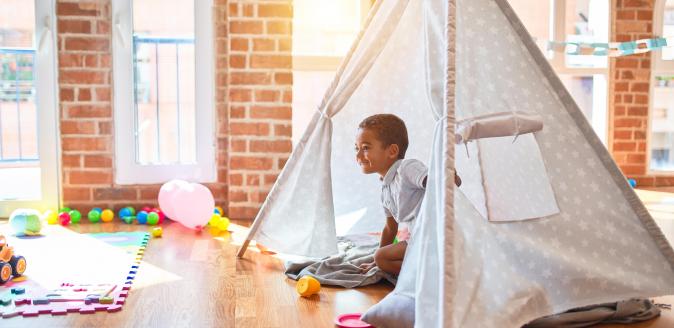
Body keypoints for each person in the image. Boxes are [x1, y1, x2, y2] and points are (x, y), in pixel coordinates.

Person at [355, 114, 461, 275]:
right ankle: (425, 272)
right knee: (381, 258)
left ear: (392, 151)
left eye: (365, 148)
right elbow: (390, 228)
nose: (358, 156)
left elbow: (438, 183)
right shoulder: (385, 189)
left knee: (381, 257)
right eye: (356, 148)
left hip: (436, 237)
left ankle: (427, 278)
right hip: (418, 240)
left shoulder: (407, 168)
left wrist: (448, 176)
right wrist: (375, 263)